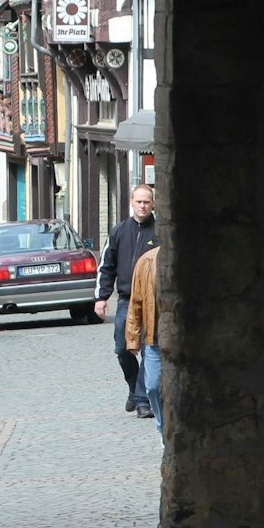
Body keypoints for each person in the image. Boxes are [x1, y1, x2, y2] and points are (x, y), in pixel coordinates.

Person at [94, 184, 158, 416]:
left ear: (153, 204)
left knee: (147, 348)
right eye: (139, 201)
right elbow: (106, 266)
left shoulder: (160, 231)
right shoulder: (118, 231)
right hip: (125, 300)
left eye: (146, 202)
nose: (142, 206)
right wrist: (101, 297)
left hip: (152, 301)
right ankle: (134, 388)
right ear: (131, 202)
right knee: (122, 348)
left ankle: (142, 400)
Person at [124, 246, 163, 434]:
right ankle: (163, 428)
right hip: (154, 340)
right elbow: (136, 302)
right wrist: (132, 338)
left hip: (179, 341)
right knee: (153, 387)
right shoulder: (146, 261)